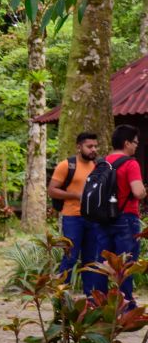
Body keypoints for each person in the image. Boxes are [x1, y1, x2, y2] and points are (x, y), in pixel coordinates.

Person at [92, 124, 146, 306]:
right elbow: (138, 192)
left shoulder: (102, 163)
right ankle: (125, 304)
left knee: (102, 263)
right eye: (135, 142)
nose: (136, 146)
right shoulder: (131, 163)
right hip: (126, 218)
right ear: (126, 143)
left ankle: (99, 302)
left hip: (102, 218)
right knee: (126, 263)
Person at [47, 132, 100, 294]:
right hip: (72, 218)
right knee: (70, 257)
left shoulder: (97, 166)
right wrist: (76, 195)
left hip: (93, 218)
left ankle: (90, 298)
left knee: (91, 261)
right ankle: (62, 297)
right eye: (89, 146)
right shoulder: (66, 165)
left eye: (95, 146)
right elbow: (52, 191)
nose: (93, 150)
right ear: (79, 147)